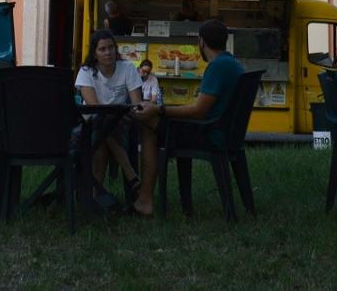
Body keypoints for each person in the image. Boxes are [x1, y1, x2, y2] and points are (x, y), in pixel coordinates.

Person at [130, 18, 243, 216]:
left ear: (201, 42)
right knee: (153, 122)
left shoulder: (217, 67)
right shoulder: (232, 64)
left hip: (209, 135)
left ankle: (145, 198)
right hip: (221, 133)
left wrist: (159, 110)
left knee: (148, 124)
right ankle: (162, 199)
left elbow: (199, 110)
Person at [74, 29, 142, 196]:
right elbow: (94, 107)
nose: (108, 52)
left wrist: (124, 113)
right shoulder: (86, 72)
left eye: (111, 47)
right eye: (102, 49)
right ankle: (130, 173)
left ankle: (95, 198)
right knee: (103, 127)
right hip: (92, 123)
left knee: (108, 126)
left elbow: (136, 104)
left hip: (121, 122)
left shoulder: (127, 68)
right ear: (94, 53)